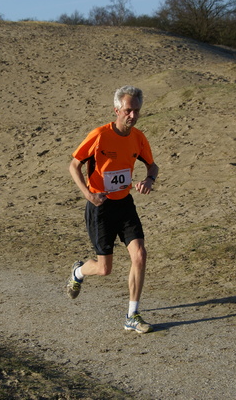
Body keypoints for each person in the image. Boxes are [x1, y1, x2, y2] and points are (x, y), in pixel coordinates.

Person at [66, 85, 159, 334]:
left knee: (139, 255)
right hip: (101, 207)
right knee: (104, 269)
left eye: (136, 111)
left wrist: (149, 179)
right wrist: (88, 194)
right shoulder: (98, 135)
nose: (132, 116)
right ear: (116, 110)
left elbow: (153, 166)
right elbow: (74, 165)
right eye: (128, 110)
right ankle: (78, 271)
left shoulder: (138, 138)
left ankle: (132, 315)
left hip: (125, 204)